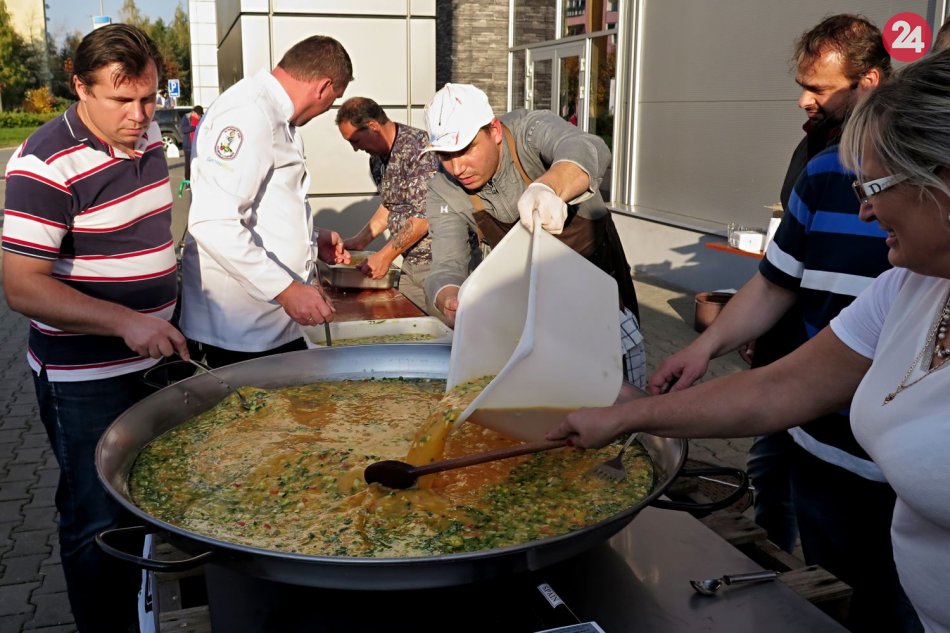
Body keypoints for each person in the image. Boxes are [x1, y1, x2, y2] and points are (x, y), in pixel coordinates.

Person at [550, 50, 950, 633]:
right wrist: (624, 416)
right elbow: (778, 389)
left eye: (875, 185)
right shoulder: (909, 287)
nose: (864, 211)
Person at [648, 15, 918, 632]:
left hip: (902, 476)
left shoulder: (919, 270)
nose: (869, 212)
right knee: (838, 600)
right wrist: (707, 347)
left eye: (818, 88)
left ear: (870, 81)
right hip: (822, 450)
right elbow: (777, 287)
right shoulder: (821, 172)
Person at [1, 24, 189, 633]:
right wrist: (125, 320)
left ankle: (144, 611)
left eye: (149, 98)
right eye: (121, 100)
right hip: (85, 381)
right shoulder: (43, 164)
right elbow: (22, 286)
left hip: (151, 364)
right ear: (80, 87)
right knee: (95, 517)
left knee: (146, 498)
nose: (140, 115)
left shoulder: (149, 133)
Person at [421, 83, 646, 386]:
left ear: (494, 130)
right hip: (530, 305)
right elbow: (446, 264)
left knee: (618, 386)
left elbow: (586, 146)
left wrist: (548, 187)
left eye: (465, 149)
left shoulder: (529, 131)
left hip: (598, 288)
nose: (457, 167)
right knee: (556, 389)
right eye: (445, 155)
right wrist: (448, 297)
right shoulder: (443, 188)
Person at [180, 35, 353, 368]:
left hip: (270, 323)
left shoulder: (276, 116)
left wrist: (312, 238)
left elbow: (262, 207)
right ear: (323, 87)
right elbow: (213, 223)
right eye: (334, 99)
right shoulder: (249, 113)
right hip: (241, 331)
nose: (327, 109)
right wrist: (287, 290)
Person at [335, 96, 439, 313]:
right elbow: (391, 205)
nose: (355, 149)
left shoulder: (420, 149)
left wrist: (384, 256)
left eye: (355, 141)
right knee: (413, 326)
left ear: (373, 126)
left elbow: (424, 216)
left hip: (441, 265)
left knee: (447, 330)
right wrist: (360, 241)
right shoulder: (376, 159)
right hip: (410, 264)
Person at [179, 104, 203, 183]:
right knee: (188, 165)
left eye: (200, 115)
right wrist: (194, 128)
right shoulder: (186, 118)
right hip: (188, 146)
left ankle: (197, 181)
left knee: (198, 164)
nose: (199, 116)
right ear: (194, 113)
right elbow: (183, 129)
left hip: (197, 146)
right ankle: (187, 181)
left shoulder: (201, 119)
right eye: (198, 115)